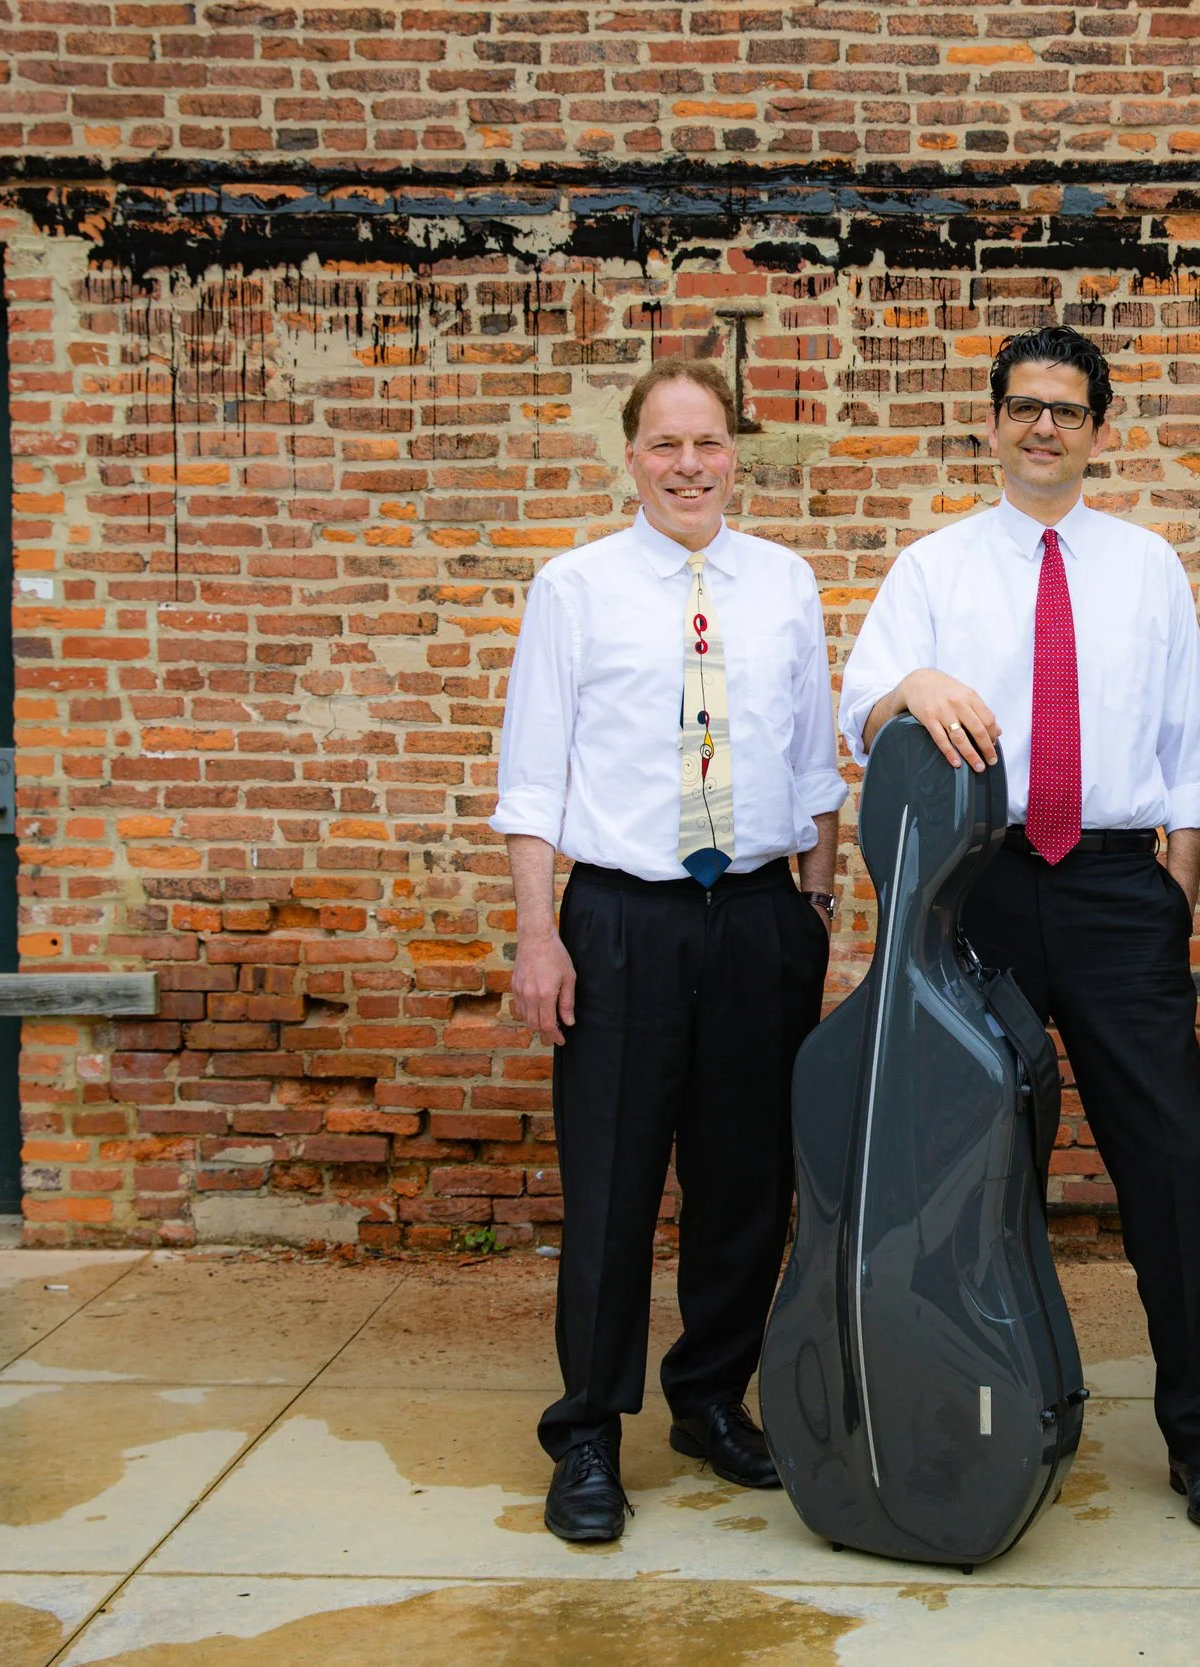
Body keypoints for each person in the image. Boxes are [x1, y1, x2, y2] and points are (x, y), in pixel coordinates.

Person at [837, 325, 1200, 1533]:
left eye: (1066, 411)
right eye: (1022, 407)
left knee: (1170, 1168)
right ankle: (963, 1406)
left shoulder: (1147, 566)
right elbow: (859, 711)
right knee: (967, 1167)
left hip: (1120, 891)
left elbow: (1188, 746)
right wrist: (912, 687)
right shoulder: (935, 565)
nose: (1042, 428)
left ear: (1098, 430)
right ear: (991, 423)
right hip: (983, 885)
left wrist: (1170, 890)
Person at [491, 358, 847, 1543]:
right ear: (630, 457)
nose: (688, 465)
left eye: (707, 443)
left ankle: (710, 1399)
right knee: (611, 1185)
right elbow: (534, 772)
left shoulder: (784, 582)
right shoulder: (574, 586)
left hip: (756, 913)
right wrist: (540, 933)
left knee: (747, 1182)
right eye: (664, 445)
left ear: (734, 453)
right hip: (621, 920)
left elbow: (810, 761)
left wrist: (818, 902)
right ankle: (589, 1430)